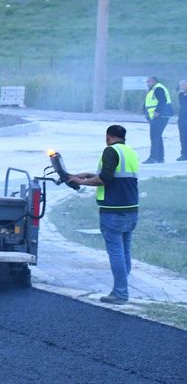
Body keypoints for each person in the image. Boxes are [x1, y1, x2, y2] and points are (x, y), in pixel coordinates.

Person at [68, 124, 139, 305]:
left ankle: (120, 294)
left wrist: (80, 181)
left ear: (108, 136)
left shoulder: (110, 151)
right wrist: (88, 175)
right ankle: (120, 289)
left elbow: (104, 179)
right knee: (125, 251)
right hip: (131, 209)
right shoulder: (130, 152)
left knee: (116, 253)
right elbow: (115, 176)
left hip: (113, 210)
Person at [143, 76, 172, 164]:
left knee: (154, 136)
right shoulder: (153, 89)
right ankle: (160, 158)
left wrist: (157, 111)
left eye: (149, 81)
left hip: (160, 116)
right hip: (157, 116)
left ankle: (153, 158)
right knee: (157, 136)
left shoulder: (158, 88)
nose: (147, 83)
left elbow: (163, 100)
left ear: (154, 81)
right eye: (147, 82)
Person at [178, 80, 187, 162]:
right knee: (183, 137)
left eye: (184, 85)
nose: (182, 86)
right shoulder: (180, 95)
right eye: (181, 85)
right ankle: (184, 154)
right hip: (182, 119)